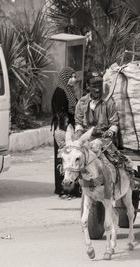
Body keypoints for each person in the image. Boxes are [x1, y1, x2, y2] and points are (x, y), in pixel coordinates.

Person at [74, 72, 135, 195]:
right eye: (93, 86)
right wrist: (78, 133)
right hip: (87, 139)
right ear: (87, 86)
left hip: (104, 139)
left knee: (112, 159)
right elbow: (78, 122)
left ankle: (117, 182)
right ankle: (76, 181)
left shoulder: (108, 102)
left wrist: (111, 132)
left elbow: (114, 123)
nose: (97, 89)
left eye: (99, 85)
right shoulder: (81, 102)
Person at [51, 67, 82, 199]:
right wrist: (68, 131)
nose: (73, 79)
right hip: (63, 130)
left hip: (69, 129)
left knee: (71, 160)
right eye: (71, 76)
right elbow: (60, 113)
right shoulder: (60, 92)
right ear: (64, 78)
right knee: (63, 159)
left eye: (74, 76)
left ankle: (72, 189)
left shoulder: (69, 91)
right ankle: (63, 189)